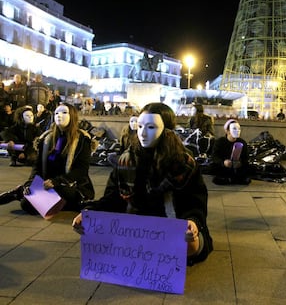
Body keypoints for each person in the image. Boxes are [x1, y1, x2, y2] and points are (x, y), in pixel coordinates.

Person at [71, 102, 213, 266]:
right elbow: (113, 198)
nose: (143, 133)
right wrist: (91, 213)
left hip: (171, 222)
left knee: (194, 244)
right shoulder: (126, 160)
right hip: (137, 226)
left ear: (166, 131)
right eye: (140, 126)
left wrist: (192, 222)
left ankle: (184, 246)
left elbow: (195, 201)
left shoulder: (183, 162)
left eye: (151, 127)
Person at [0, 103, 95, 215]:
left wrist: (57, 181)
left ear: (72, 116)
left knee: (59, 193)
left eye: (64, 112)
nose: (59, 116)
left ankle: (21, 193)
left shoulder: (82, 139)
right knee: (26, 204)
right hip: (46, 183)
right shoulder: (46, 138)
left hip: (71, 185)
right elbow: (38, 166)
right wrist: (31, 183)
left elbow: (81, 170)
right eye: (56, 113)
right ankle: (25, 192)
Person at [210, 119, 251, 185]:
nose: (237, 131)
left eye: (239, 129)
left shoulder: (242, 142)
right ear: (227, 131)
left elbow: (246, 158)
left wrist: (240, 163)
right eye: (234, 128)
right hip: (223, 166)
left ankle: (233, 179)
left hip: (237, 167)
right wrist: (223, 162)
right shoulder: (220, 142)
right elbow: (214, 157)